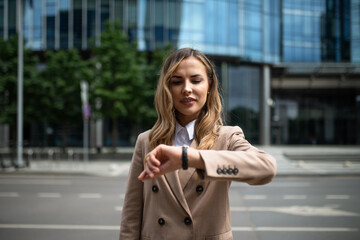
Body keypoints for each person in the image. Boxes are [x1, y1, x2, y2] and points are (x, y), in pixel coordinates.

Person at [119, 48, 276, 240]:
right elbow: (131, 215)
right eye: (177, 81)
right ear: (167, 88)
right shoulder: (146, 140)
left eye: (195, 80)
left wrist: (191, 159)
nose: (186, 88)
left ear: (209, 86)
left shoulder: (226, 137)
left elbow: (266, 168)